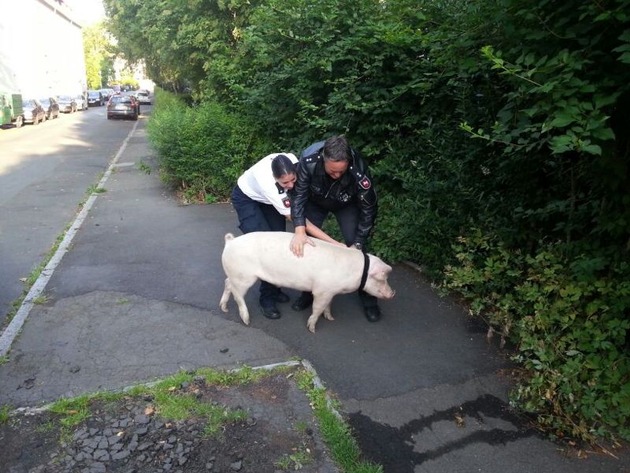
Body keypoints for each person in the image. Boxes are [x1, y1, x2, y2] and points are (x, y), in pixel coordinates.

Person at [231, 152, 341, 319]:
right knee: (266, 250)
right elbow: (298, 219)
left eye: (293, 180)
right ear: (275, 178)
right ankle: (267, 298)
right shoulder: (268, 184)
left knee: (279, 242)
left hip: (269, 201)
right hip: (247, 198)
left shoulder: (294, 161)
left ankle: (275, 287)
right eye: (285, 182)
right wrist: (334, 243)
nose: (290, 185)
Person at [289, 135, 382, 322]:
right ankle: (307, 293)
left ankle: (369, 299)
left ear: (348, 162)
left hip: (346, 203)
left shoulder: (359, 169)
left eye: (341, 171)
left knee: (358, 249)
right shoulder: (308, 161)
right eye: (332, 171)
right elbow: (298, 197)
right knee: (307, 245)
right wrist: (299, 229)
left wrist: (358, 241)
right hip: (315, 201)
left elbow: (368, 209)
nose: (337, 175)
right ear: (324, 159)